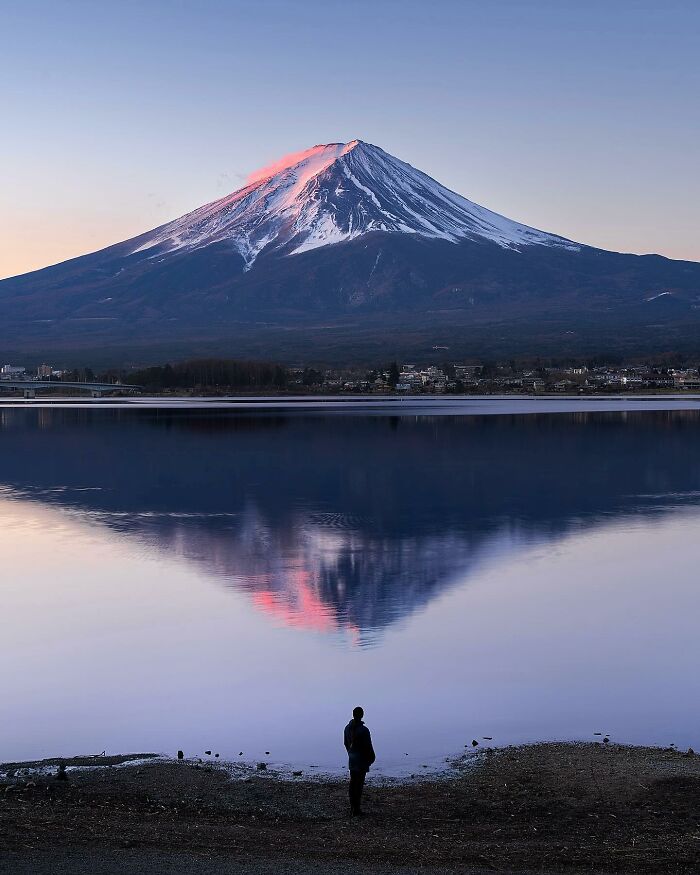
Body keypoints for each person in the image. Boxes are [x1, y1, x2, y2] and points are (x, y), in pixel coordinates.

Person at [343, 705, 376, 816]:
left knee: (353, 783)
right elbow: (368, 746)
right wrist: (372, 758)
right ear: (362, 715)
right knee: (359, 784)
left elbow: (345, 743)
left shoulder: (347, 728)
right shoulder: (363, 730)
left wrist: (350, 753)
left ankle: (353, 808)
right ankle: (356, 809)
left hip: (352, 760)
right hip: (361, 761)